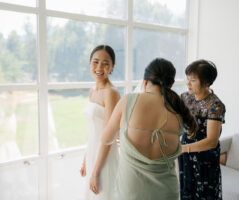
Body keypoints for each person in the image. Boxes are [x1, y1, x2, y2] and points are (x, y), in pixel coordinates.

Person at [89, 58, 198, 200]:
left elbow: (106, 138)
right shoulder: (178, 111)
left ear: (145, 82)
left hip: (132, 192)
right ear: (170, 85)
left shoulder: (128, 100)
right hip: (168, 192)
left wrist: (125, 134)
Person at [178, 59, 226, 200]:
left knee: (205, 195)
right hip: (186, 156)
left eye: (193, 80)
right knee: (186, 193)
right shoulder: (185, 98)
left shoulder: (215, 105)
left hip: (205, 159)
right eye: (187, 79)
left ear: (206, 83)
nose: (188, 84)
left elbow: (211, 141)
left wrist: (183, 148)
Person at [80, 45, 120, 200]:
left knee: (103, 195)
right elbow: (93, 131)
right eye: (95, 62)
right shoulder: (92, 91)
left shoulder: (111, 93)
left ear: (112, 67)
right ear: (90, 64)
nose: (99, 67)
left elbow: (108, 136)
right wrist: (85, 159)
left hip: (105, 157)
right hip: (92, 152)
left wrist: (96, 171)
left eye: (105, 63)